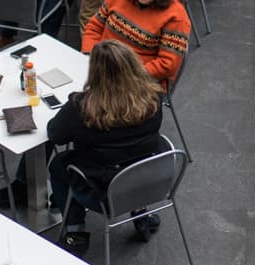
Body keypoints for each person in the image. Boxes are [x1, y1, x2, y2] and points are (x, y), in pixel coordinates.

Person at [47, 38, 167, 245]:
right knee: (134, 155)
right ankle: (142, 217)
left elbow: (55, 135)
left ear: (95, 72)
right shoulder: (154, 96)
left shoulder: (82, 107)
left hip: (103, 192)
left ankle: (75, 231)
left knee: (58, 165)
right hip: (148, 181)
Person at [81, 0, 190, 90]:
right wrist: (92, 56)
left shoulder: (175, 16)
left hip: (141, 82)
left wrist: (124, 75)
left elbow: (167, 65)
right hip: (103, 69)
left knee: (85, 105)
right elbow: (94, 27)